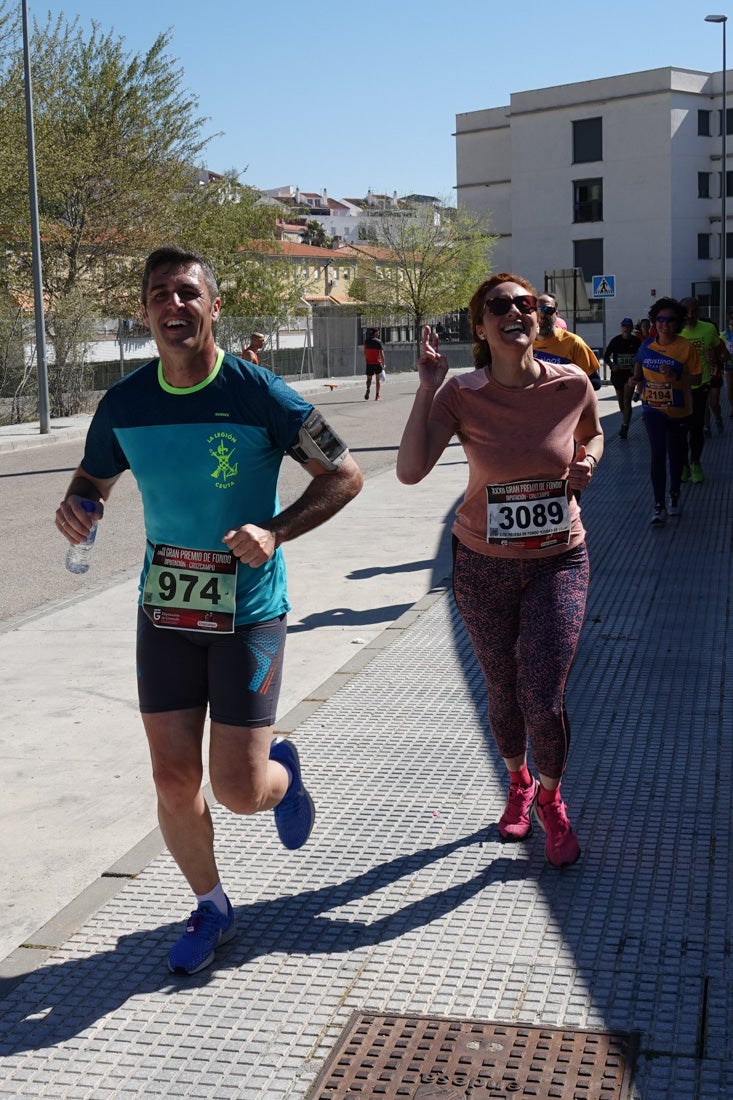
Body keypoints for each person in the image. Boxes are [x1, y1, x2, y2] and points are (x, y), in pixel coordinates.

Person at [55, 246, 363, 975]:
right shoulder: (124, 402)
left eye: (189, 293)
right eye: (160, 293)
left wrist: (275, 530)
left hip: (248, 612)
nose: (175, 305)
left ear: (213, 306)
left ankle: (278, 772)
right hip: (164, 612)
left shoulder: (263, 394)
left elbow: (344, 472)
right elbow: (91, 480)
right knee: (170, 779)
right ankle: (212, 906)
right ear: (145, 311)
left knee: (237, 790)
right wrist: (79, 508)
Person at [397, 273, 604, 868]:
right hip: (482, 563)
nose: (516, 312)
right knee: (501, 685)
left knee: (544, 691)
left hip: (558, 559)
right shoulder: (461, 393)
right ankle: (515, 780)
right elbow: (410, 470)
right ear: (481, 326)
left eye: (527, 304)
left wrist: (587, 460)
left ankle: (550, 797)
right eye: (500, 306)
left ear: (540, 318)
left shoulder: (572, 383)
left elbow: (593, 434)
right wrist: (426, 387)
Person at [632, 297, 701, 524]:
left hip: (679, 410)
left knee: (676, 455)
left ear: (678, 323)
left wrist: (676, 376)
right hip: (653, 410)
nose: (665, 324)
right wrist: (635, 380)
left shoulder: (685, 347)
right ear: (655, 321)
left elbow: (697, 378)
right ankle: (658, 504)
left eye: (670, 320)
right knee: (657, 455)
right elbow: (639, 366)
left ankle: (674, 495)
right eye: (660, 319)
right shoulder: (646, 346)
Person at [679, 297, 720, 483]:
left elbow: (723, 355)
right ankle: (684, 465)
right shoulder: (673, 331)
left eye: (694, 310)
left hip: (700, 384)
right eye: (686, 311)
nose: (690, 315)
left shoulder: (709, 329)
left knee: (696, 428)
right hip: (678, 386)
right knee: (680, 430)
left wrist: (715, 360)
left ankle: (695, 462)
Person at [534, 292, 602, 389]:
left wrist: (563, 387)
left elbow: (595, 383)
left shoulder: (574, 343)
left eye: (548, 310)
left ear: (556, 314)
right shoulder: (525, 343)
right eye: (537, 310)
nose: (542, 315)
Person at [604, 317, 640, 438]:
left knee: (627, 400)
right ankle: (626, 418)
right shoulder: (615, 341)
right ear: (621, 328)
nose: (626, 329)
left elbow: (641, 358)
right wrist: (612, 365)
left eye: (628, 326)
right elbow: (606, 357)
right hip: (617, 375)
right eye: (624, 326)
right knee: (621, 404)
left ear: (631, 328)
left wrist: (635, 368)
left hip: (630, 375)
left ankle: (625, 426)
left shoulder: (636, 341)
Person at [363, 328, 385, 401]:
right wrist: (383, 364)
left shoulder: (366, 341)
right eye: (378, 332)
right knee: (377, 380)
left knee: (369, 379)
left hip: (369, 362)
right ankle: (377, 395)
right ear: (375, 333)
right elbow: (381, 354)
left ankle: (368, 389)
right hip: (377, 362)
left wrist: (367, 359)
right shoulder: (378, 342)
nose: (378, 334)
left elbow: (365, 352)